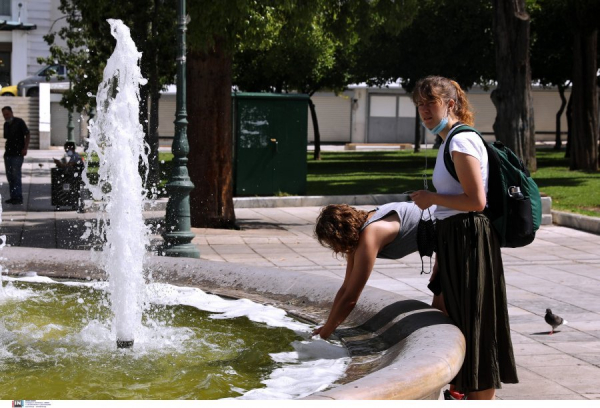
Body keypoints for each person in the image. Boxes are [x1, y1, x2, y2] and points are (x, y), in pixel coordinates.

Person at [409, 75, 518, 400]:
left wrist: (431, 199)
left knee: (475, 326)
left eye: (430, 102)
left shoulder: (460, 141)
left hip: (469, 241)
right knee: (450, 318)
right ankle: (459, 389)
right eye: (420, 104)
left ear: (450, 104)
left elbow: (476, 201)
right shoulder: (449, 141)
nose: (424, 110)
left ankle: (475, 395)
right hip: (456, 241)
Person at [312, 201, 428, 340]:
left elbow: (351, 298)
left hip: (450, 226)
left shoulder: (370, 235)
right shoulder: (359, 230)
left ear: (339, 235)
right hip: (440, 231)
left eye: (332, 243)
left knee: (446, 304)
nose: (336, 249)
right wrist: (327, 326)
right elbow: (346, 288)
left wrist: (324, 336)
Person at [2, 106, 30, 205]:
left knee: (16, 175)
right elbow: (7, 138)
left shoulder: (19, 122)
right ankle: (13, 196)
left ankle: (18, 197)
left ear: (11, 113)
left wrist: (25, 148)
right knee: (10, 176)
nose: (6, 116)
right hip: (8, 153)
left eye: (7, 114)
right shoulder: (6, 124)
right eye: (4, 115)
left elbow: (27, 134)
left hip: (17, 153)